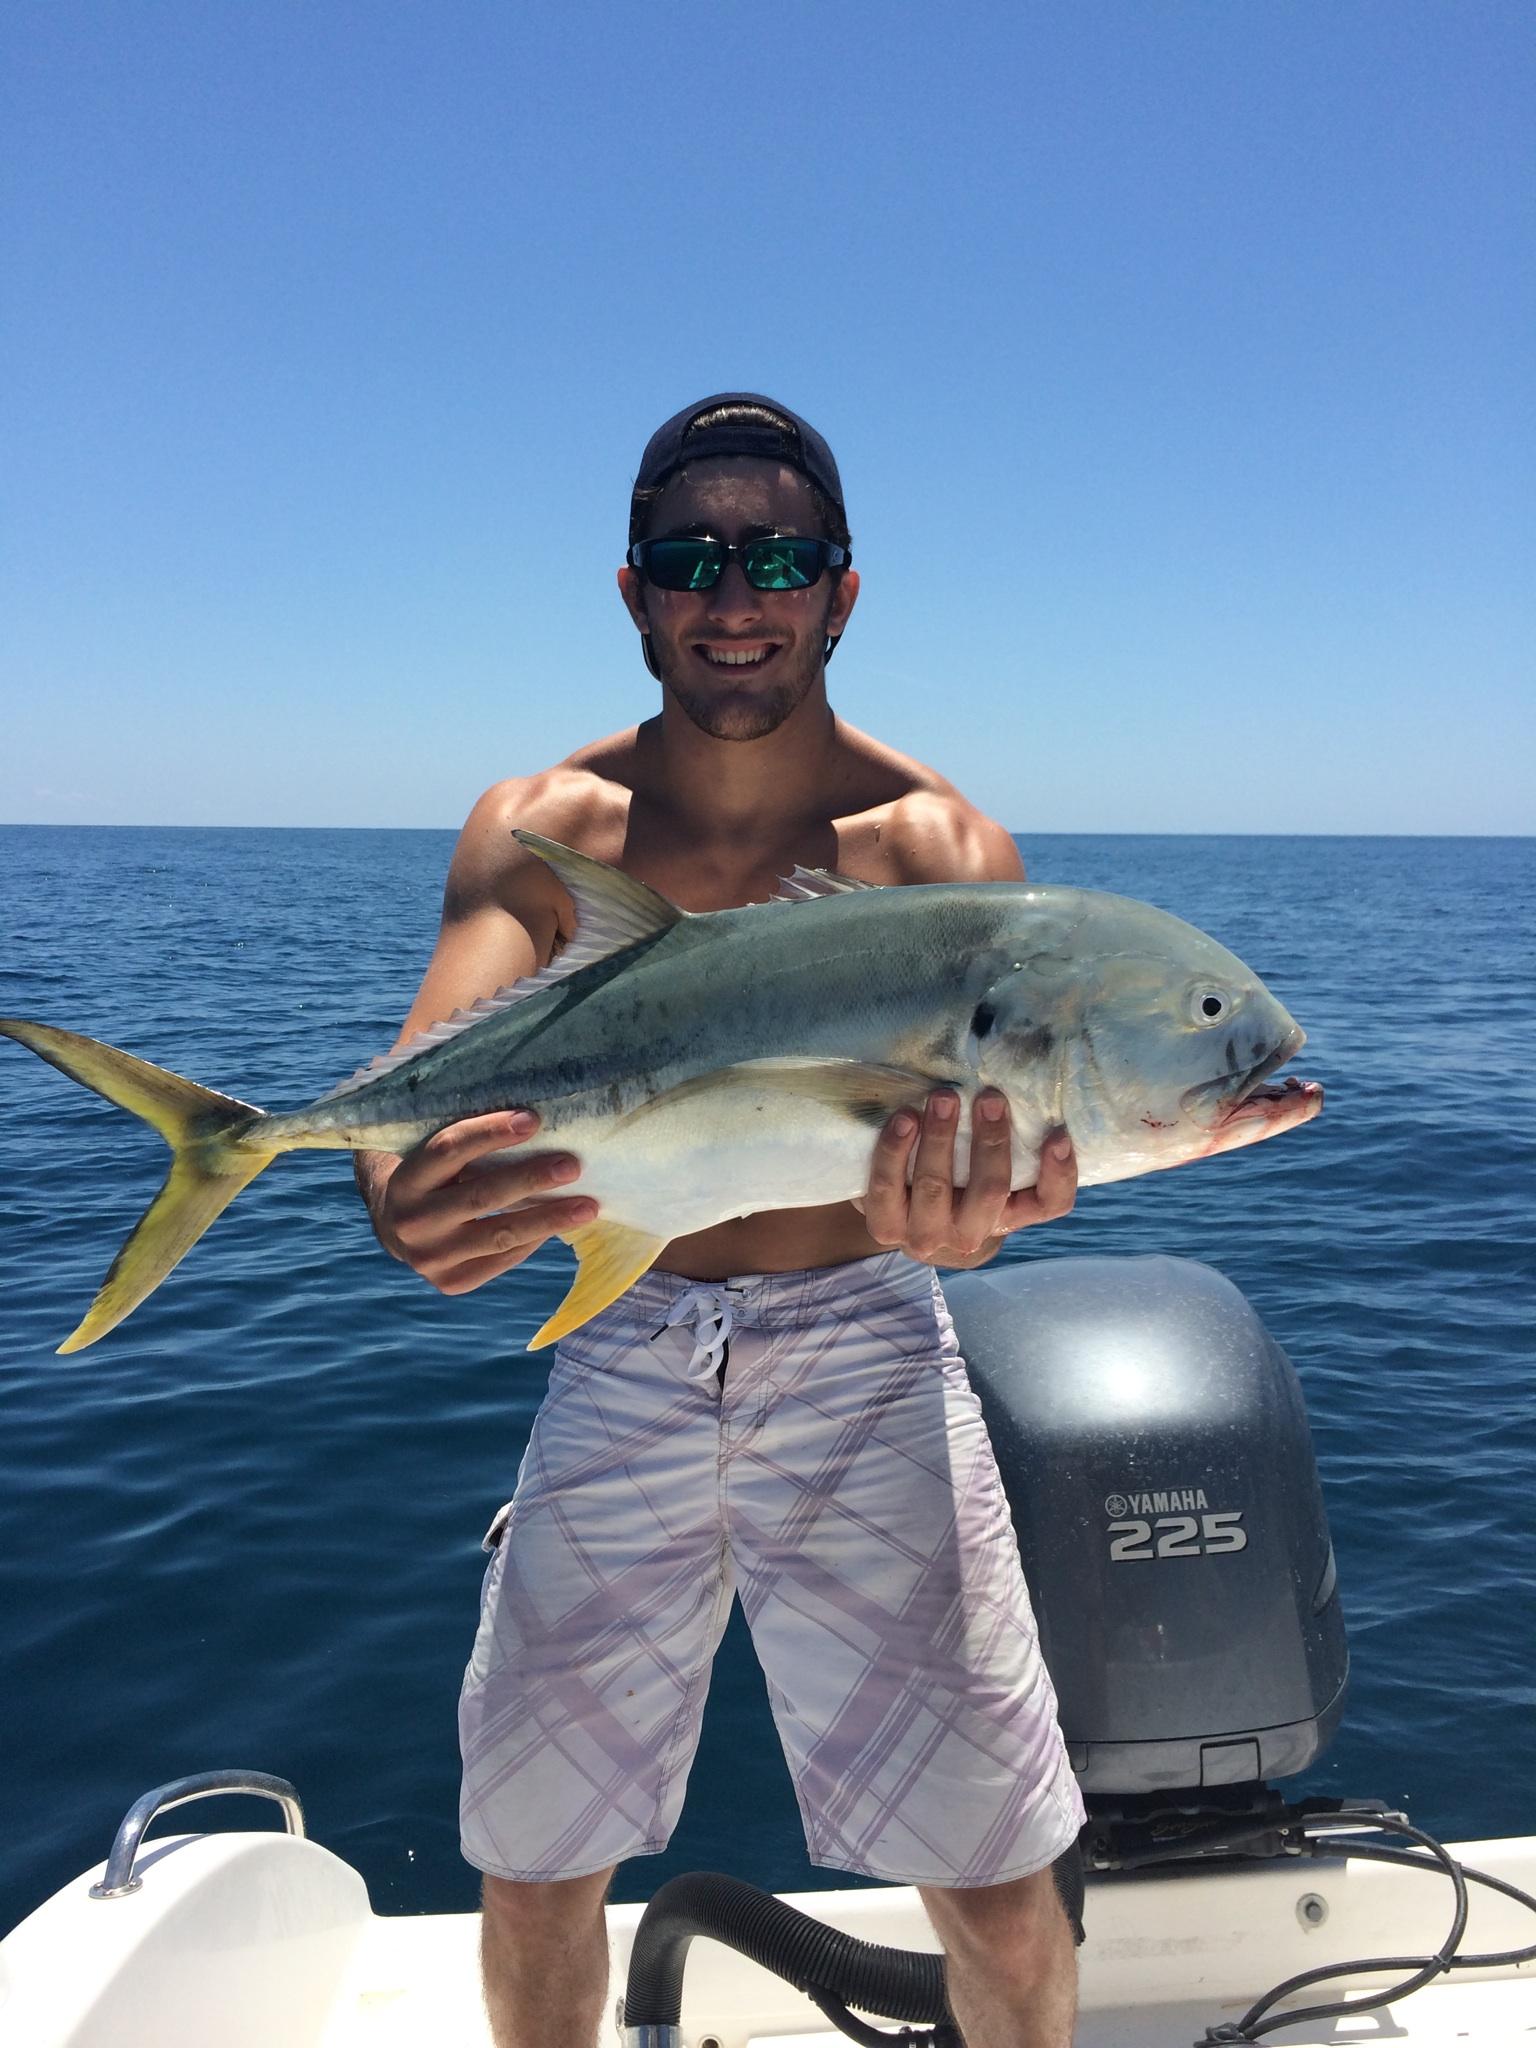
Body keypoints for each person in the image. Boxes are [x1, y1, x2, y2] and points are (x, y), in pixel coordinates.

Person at [354, 395, 1085, 2048]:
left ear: (842, 590)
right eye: (692, 560)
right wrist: (398, 1197)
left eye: (780, 558)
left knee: (997, 1883)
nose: (735, 596)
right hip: (625, 1334)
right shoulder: (546, 833)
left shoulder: (940, 854)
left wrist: (975, 1227)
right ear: (635, 592)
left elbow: (1001, 1139)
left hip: (870, 1346)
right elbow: (413, 1090)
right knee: (535, 1868)